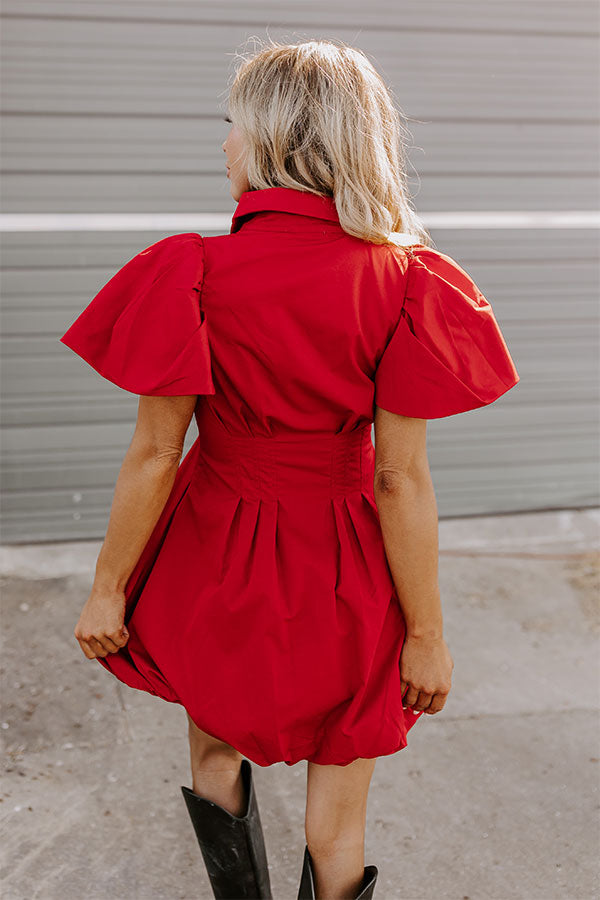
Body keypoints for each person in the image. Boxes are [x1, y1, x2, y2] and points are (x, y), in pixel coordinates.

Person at [59, 38, 520, 900]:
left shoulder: (190, 272)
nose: (222, 145)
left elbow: (156, 454)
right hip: (348, 564)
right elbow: (400, 478)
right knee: (339, 817)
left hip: (214, 549)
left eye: (230, 127)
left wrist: (108, 587)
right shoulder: (408, 282)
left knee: (213, 749)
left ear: (270, 140)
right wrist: (426, 633)